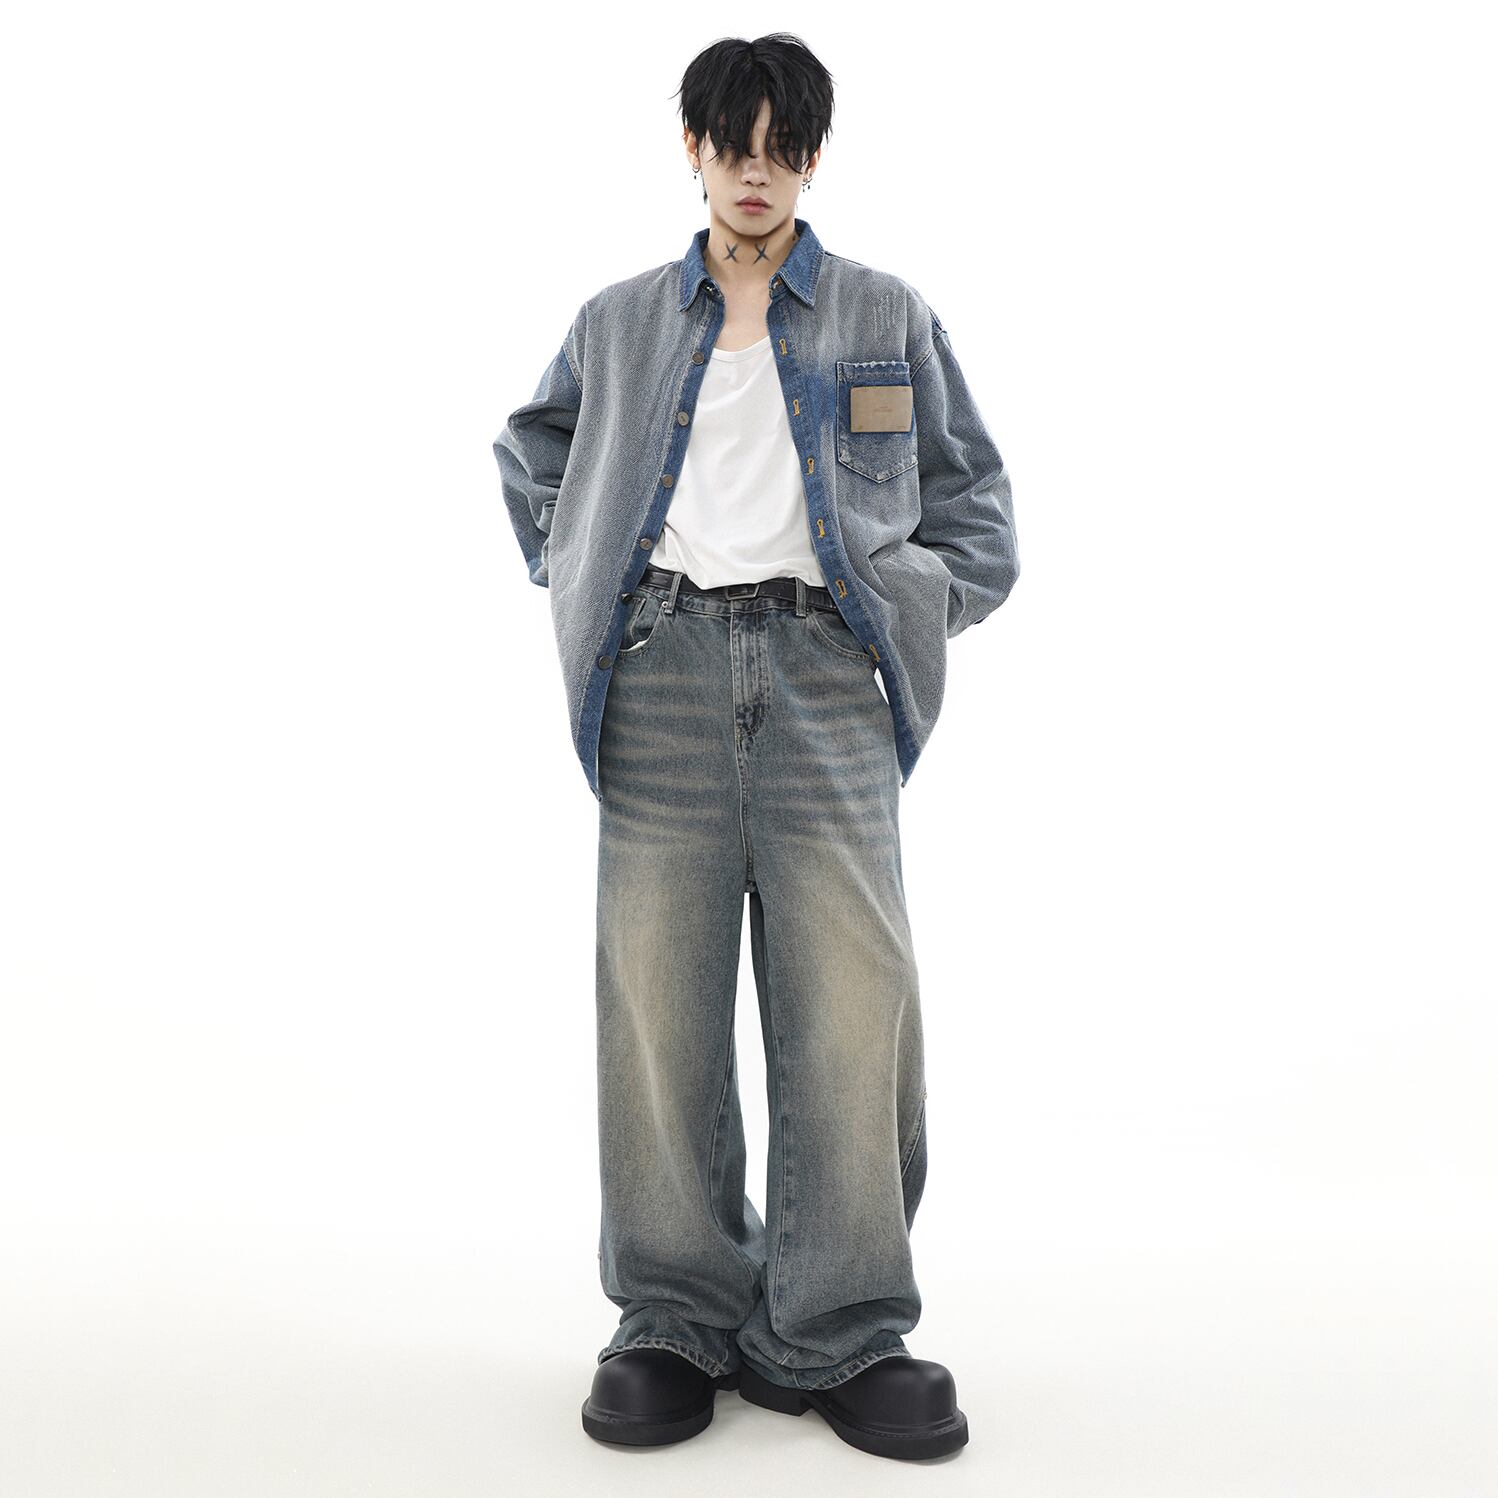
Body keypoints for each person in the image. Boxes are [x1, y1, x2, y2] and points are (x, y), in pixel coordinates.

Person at [493, 33, 1018, 1461]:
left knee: (852, 1001)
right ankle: (674, 1314)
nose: (756, 174)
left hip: (824, 678)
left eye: (784, 150)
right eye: (734, 145)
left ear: (813, 161)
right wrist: (588, 570)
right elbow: (533, 454)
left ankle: (837, 1329)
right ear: (694, 147)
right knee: (656, 1001)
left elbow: (974, 505)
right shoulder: (616, 322)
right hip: (658, 676)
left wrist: (900, 608)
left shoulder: (880, 312)